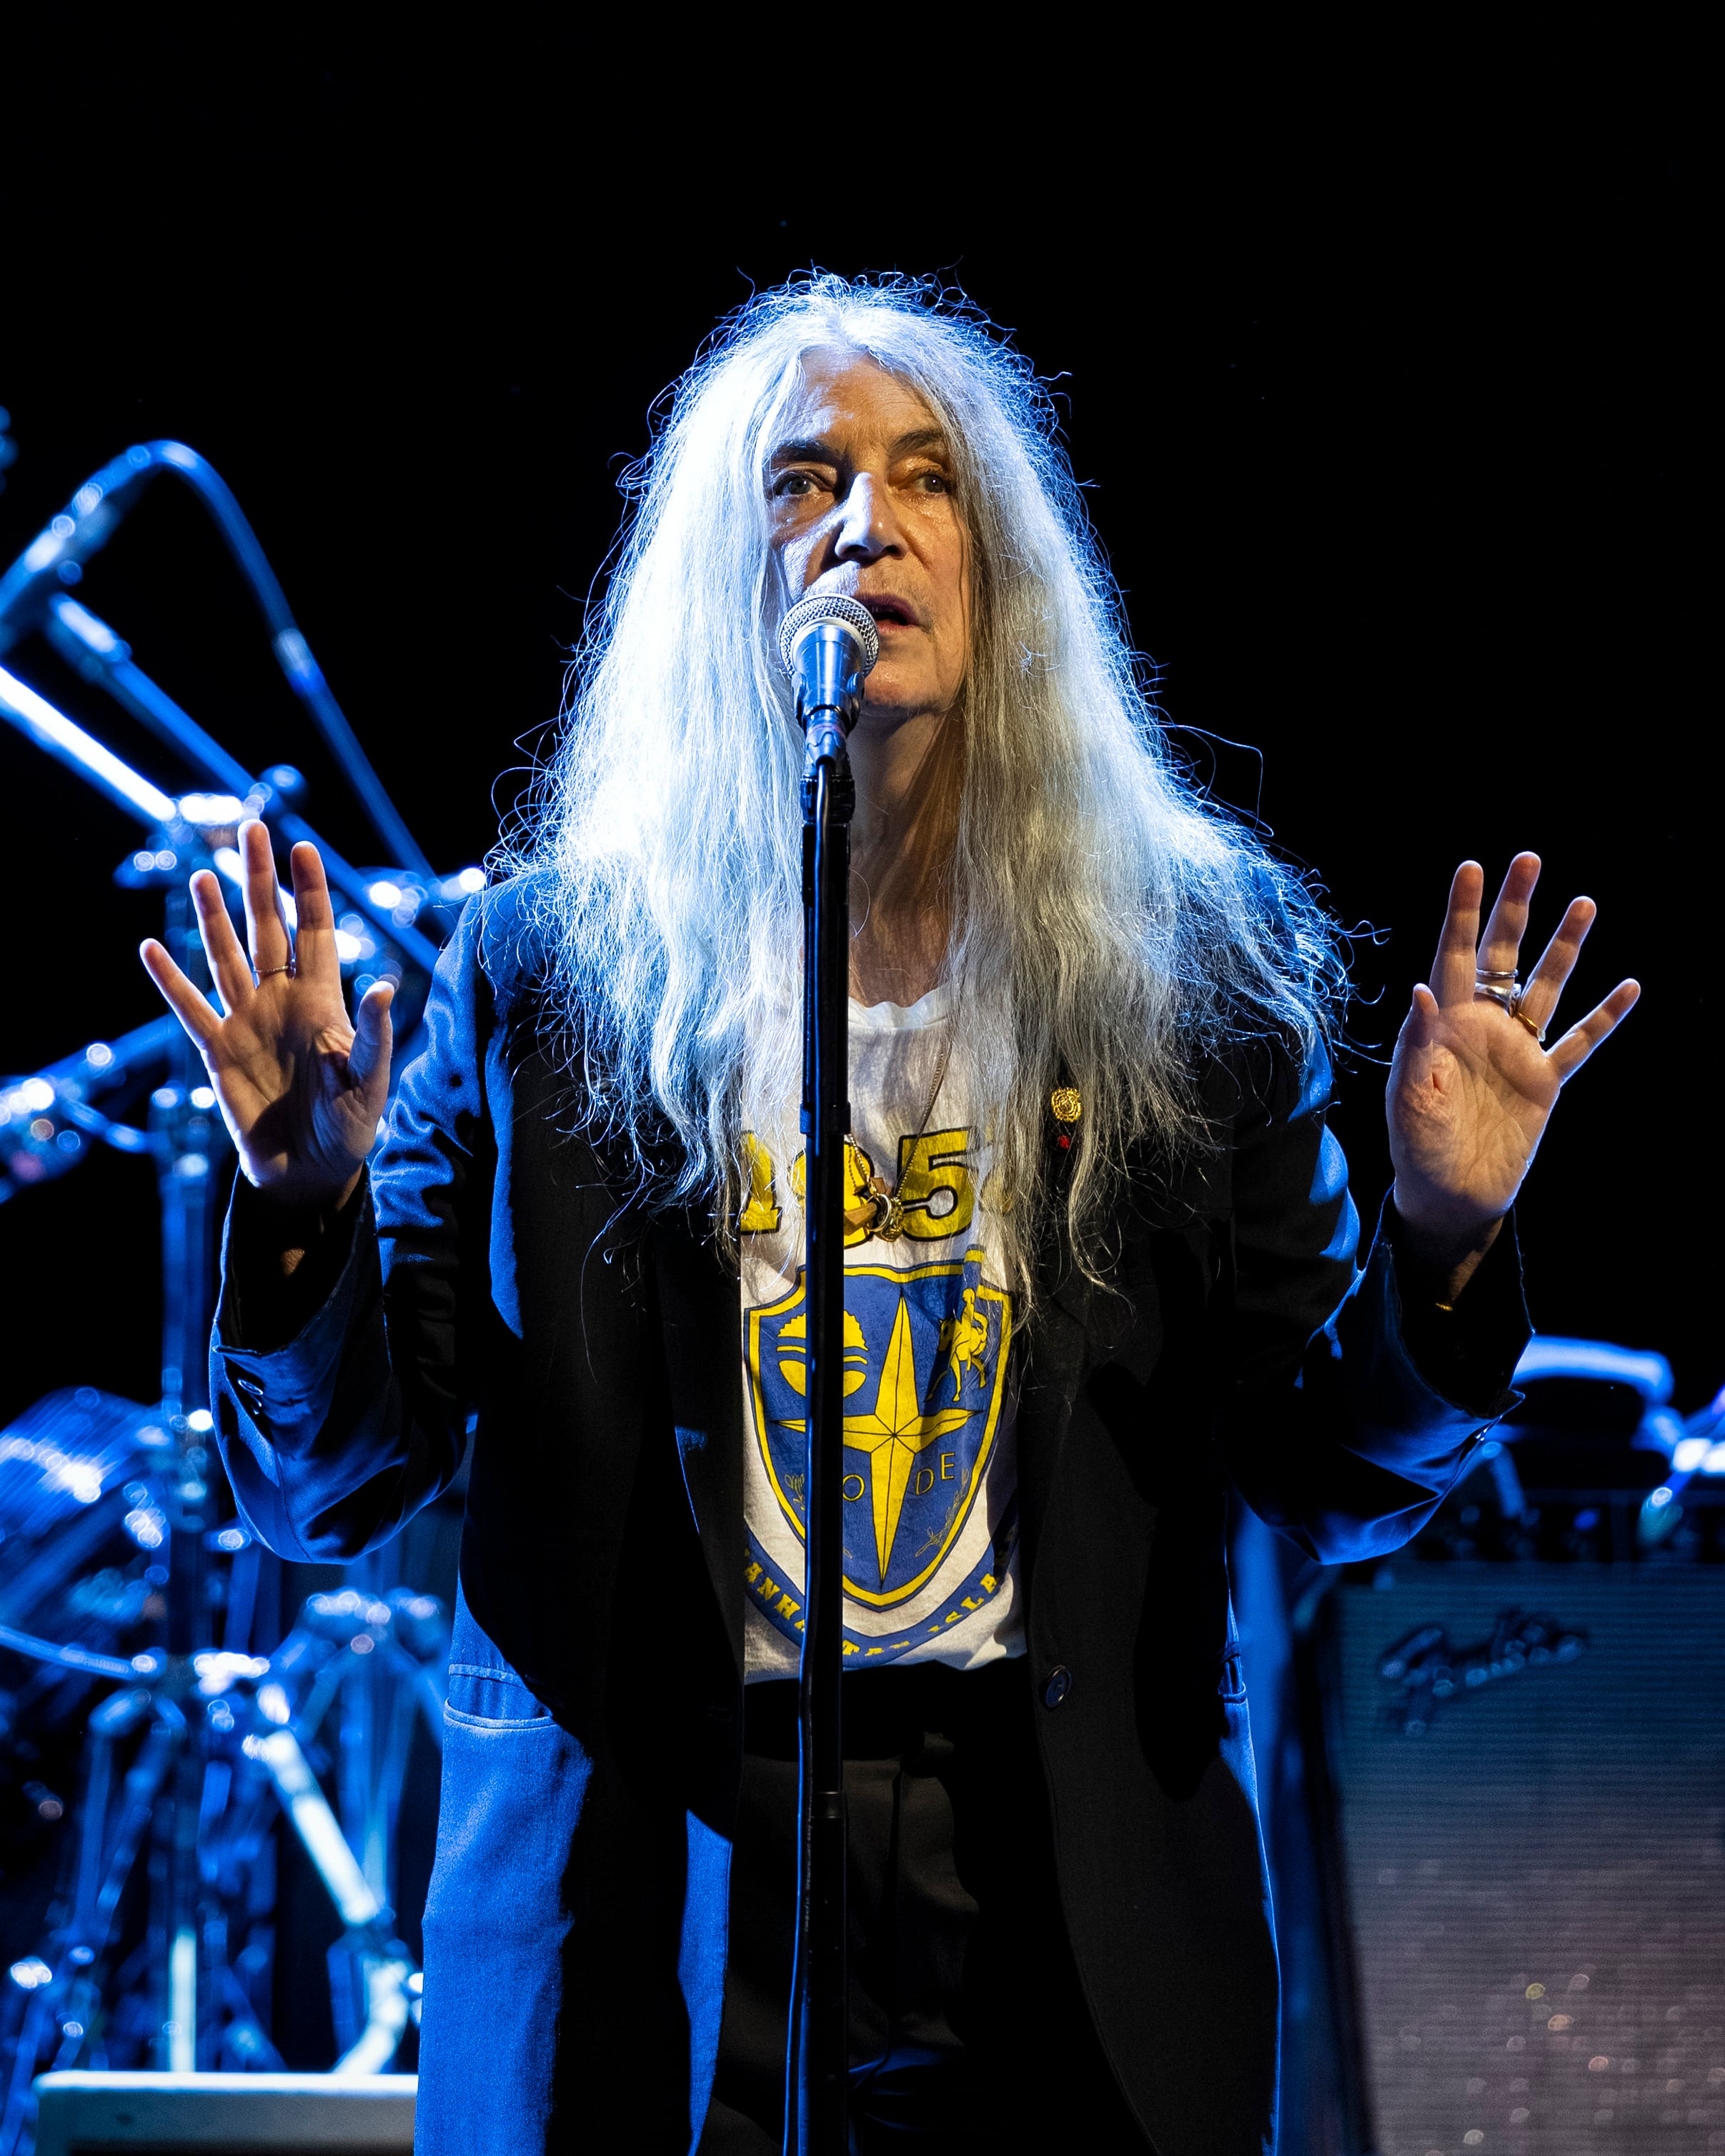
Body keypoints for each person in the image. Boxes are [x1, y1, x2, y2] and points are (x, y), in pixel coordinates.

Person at [141, 277, 1637, 2156]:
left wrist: (1445, 1239)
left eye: (926, 478)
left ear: (1000, 565)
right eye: (803, 481)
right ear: (725, 584)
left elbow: (1334, 1475)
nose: (867, 521)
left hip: (1056, 1879)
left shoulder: (1186, 972)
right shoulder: (547, 978)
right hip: (652, 1883)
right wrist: (296, 1204)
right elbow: (332, 1484)